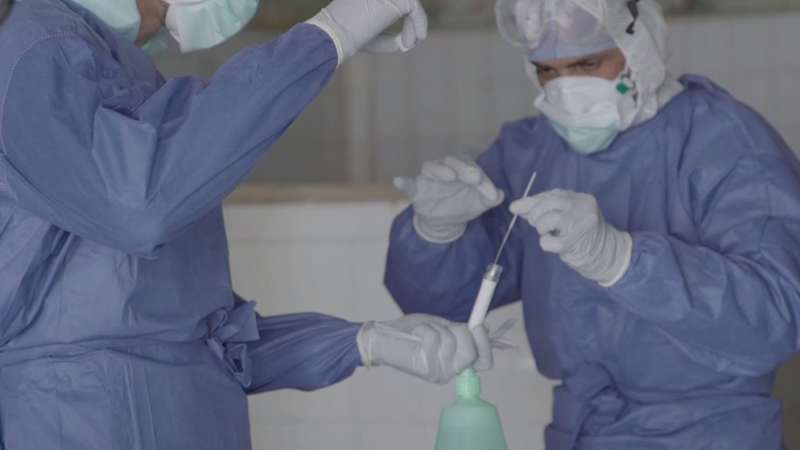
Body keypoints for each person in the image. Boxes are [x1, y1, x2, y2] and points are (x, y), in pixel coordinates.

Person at [0, 1, 499, 449]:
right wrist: (324, 40)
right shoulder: (36, 47)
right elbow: (138, 203)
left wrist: (364, 341)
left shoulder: (112, 67)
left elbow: (199, 342)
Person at [386, 0, 800, 448]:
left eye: (587, 63)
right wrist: (436, 234)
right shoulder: (531, 152)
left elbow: (779, 314)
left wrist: (622, 260)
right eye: (548, 70)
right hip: (581, 431)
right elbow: (441, 304)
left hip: (707, 434)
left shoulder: (723, 142)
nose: (568, 86)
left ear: (638, 47)